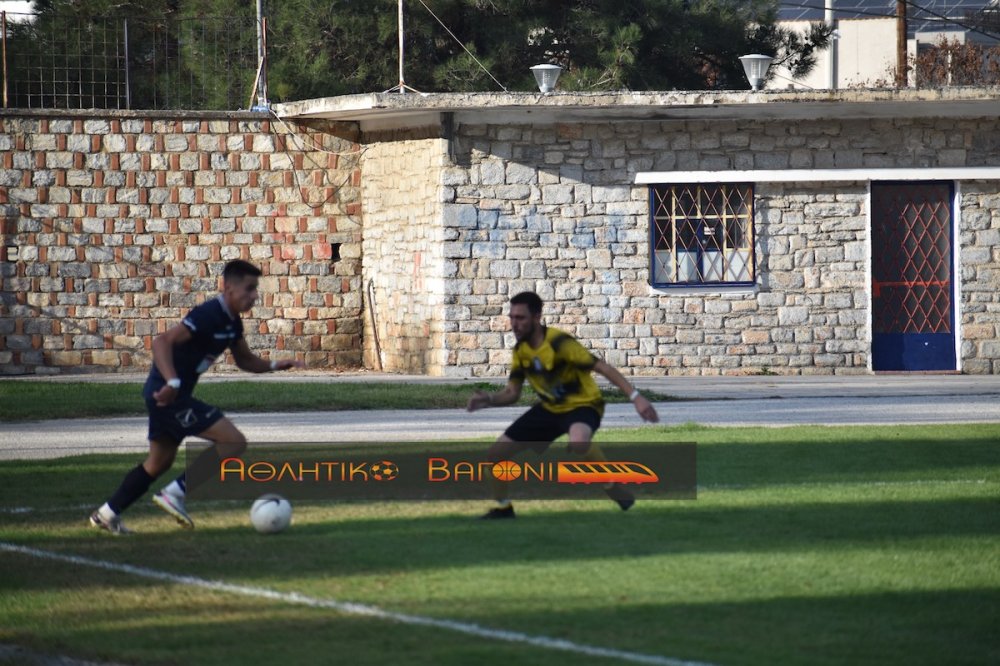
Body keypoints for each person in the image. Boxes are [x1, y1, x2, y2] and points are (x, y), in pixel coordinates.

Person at [89, 259, 304, 535]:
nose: (254, 296)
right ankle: (173, 495)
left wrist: (276, 365)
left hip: (167, 396)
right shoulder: (208, 314)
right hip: (168, 396)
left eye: (255, 290)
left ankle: (105, 515)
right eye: (249, 289)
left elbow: (246, 361)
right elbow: (161, 342)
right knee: (233, 441)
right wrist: (173, 381)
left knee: (158, 463)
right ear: (228, 288)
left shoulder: (232, 322)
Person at [466, 291, 659, 519]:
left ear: (537, 317)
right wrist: (488, 400)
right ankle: (503, 508)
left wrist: (636, 397)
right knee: (495, 456)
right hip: (549, 409)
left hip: (583, 405)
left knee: (579, 441)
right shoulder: (521, 351)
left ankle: (612, 486)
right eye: (512, 318)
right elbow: (512, 393)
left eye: (521, 318)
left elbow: (602, 368)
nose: (514, 324)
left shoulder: (560, 343)